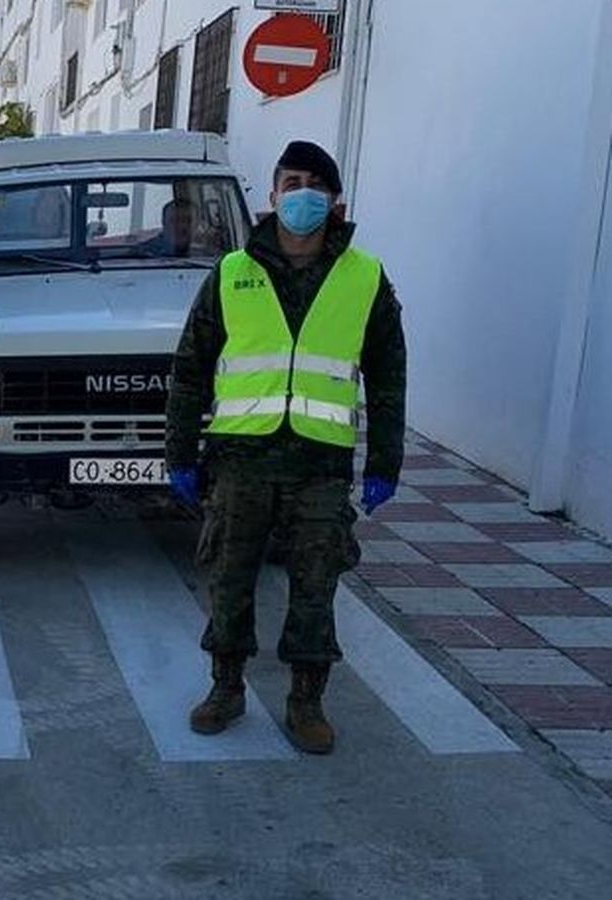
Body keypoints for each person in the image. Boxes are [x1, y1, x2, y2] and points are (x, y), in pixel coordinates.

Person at [164, 141, 407, 755]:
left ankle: (306, 702)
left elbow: (387, 377)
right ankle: (226, 688)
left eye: (315, 186)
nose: (303, 195)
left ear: (335, 201)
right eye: (291, 183)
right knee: (229, 578)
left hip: (320, 465)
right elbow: (190, 371)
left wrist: (384, 462)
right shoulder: (231, 273)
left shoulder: (365, 277)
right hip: (239, 462)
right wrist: (180, 453)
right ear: (272, 196)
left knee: (316, 585)